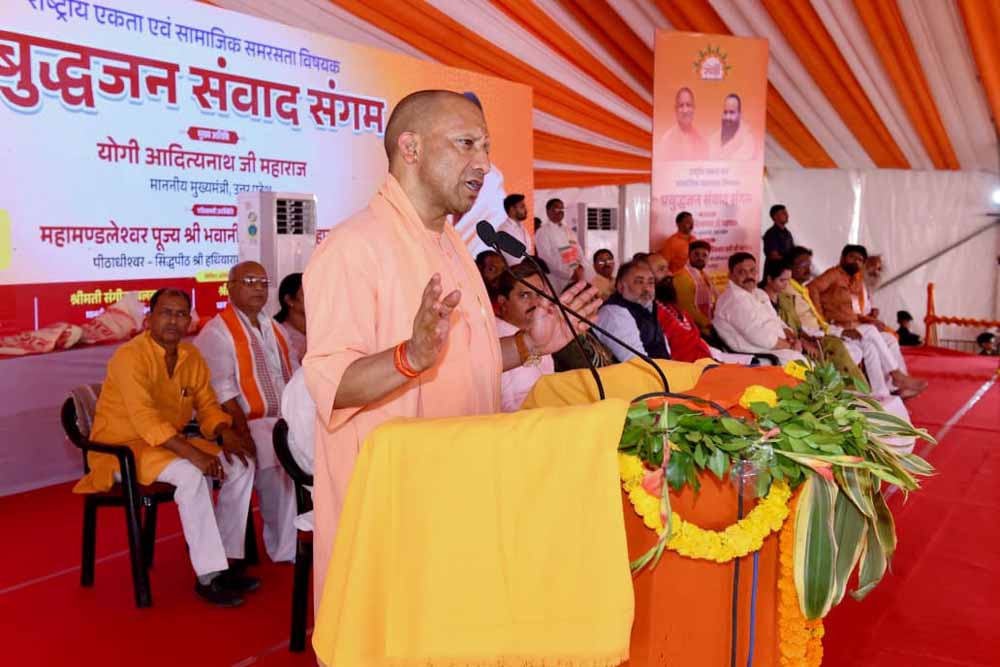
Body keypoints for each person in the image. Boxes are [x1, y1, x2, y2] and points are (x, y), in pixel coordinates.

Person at [302, 89, 601, 605]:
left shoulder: (451, 243)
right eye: (466, 144)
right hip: (395, 511)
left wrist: (531, 343)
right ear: (411, 148)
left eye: (486, 148)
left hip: (460, 489)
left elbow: (465, 362)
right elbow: (334, 385)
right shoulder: (353, 248)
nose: (483, 163)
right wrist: (410, 358)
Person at [73, 288, 257, 607]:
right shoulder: (129, 357)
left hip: (166, 444)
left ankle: (225, 559)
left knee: (241, 464)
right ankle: (209, 576)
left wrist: (223, 430)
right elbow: (145, 420)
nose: (174, 320)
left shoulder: (191, 356)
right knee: (191, 474)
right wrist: (194, 454)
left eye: (181, 314)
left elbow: (207, 406)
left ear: (189, 320)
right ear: (149, 318)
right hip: (121, 451)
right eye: (166, 313)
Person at [195, 262, 299, 564]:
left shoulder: (275, 329)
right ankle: (230, 556)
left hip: (280, 420)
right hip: (238, 423)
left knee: (302, 453)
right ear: (230, 288)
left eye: (263, 282)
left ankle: (289, 546)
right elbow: (223, 393)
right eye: (249, 281)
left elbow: (294, 377)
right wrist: (242, 433)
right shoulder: (218, 332)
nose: (258, 288)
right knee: (273, 453)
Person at [809, 245, 927, 398]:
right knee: (870, 332)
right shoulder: (833, 274)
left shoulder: (855, 281)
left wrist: (871, 320)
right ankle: (896, 374)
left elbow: (856, 312)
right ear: (842, 258)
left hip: (855, 326)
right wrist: (820, 317)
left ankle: (885, 390)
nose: (856, 262)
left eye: (860, 260)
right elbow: (812, 288)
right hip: (837, 328)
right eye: (852, 257)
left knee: (887, 339)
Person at [760, 258, 865, 382]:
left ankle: (857, 385)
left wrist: (807, 339)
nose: (786, 285)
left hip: (798, 337)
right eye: (782, 280)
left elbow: (796, 326)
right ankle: (844, 386)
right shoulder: (760, 299)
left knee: (834, 343)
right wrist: (800, 342)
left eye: (788, 280)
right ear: (769, 279)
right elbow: (774, 330)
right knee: (825, 354)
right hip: (783, 344)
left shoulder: (785, 298)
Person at [712, 252, 806, 364]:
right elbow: (759, 337)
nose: (749, 276)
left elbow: (776, 320)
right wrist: (790, 346)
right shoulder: (735, 300)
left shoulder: (758, 293)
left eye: (752, 270)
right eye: (742, 272)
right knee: (804, 366)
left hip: (776, 348)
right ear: (730, 275)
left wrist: (791, 337)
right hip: (758, 355)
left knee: (810, 365)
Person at [495, 263, 556, 411]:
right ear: (503, 302)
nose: (535, 303)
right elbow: (504, 408)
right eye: (525, 295)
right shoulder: (494, 339)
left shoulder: (542, 331)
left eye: (539, 295)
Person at [594, 259, 670, 362]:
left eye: (651, 282)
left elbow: (664, 351)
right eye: (639, 282)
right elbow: (636, 361)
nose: (647, 289)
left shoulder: (647, 308)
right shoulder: (614, 313)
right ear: (621, 287)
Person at [655, 276, 711, 363]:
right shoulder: (655, 314)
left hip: (705, 360)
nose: (669, 274)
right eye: (661, 269)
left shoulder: (675, 309)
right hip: (684, 367)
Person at [535, 197, 584, 293]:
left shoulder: (569, 231)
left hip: (576, 277)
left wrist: (580, 268)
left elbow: (579, 252)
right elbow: (546, 259)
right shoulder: (543, 232)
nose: (560, 211)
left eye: (562, 208)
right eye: (557, 208)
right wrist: (570, 274)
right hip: (557, 279)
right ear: (548, 211)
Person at [673, 239, 718, 335]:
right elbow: (686, 308)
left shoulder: (704, 275)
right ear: (689, 255)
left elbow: (714, 299)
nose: (700, 258)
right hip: (693, 330)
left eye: (704, 255)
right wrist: (707, 323)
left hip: (707, 327)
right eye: (696, 254)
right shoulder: (682, 277)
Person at [657, 87, 708, 161]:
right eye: (681, 105)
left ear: (694, 108)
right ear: (675, 109)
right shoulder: (666, 141)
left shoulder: (702, 141)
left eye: (688, 105)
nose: (685, 110)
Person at [708, 93, 758, 161]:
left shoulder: (747, 141)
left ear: (740, 114)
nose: (727, 117)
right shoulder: (714, 138)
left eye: (732, 112)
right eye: (725, 112)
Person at [275, 272, 306, 364]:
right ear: (289, 300)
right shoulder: (279, 334)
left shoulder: (320, 330)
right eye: (306, 293)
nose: (314, 298)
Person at [497, 193, 532, 265]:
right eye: (522, 206)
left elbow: (528, 251)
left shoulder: (521, 227)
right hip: (517, 269)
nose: (526, 209)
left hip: (527, 267)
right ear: (512, 209)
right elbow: (512, 259)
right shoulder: (504, 230)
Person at [659, 210, 695, 275]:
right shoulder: (671, 242)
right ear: (678, 224)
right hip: (678, 278)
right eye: (688, 222)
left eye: (692, 222)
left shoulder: (694, 239)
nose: (692, 226)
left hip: (693, 277)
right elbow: (664, 265)